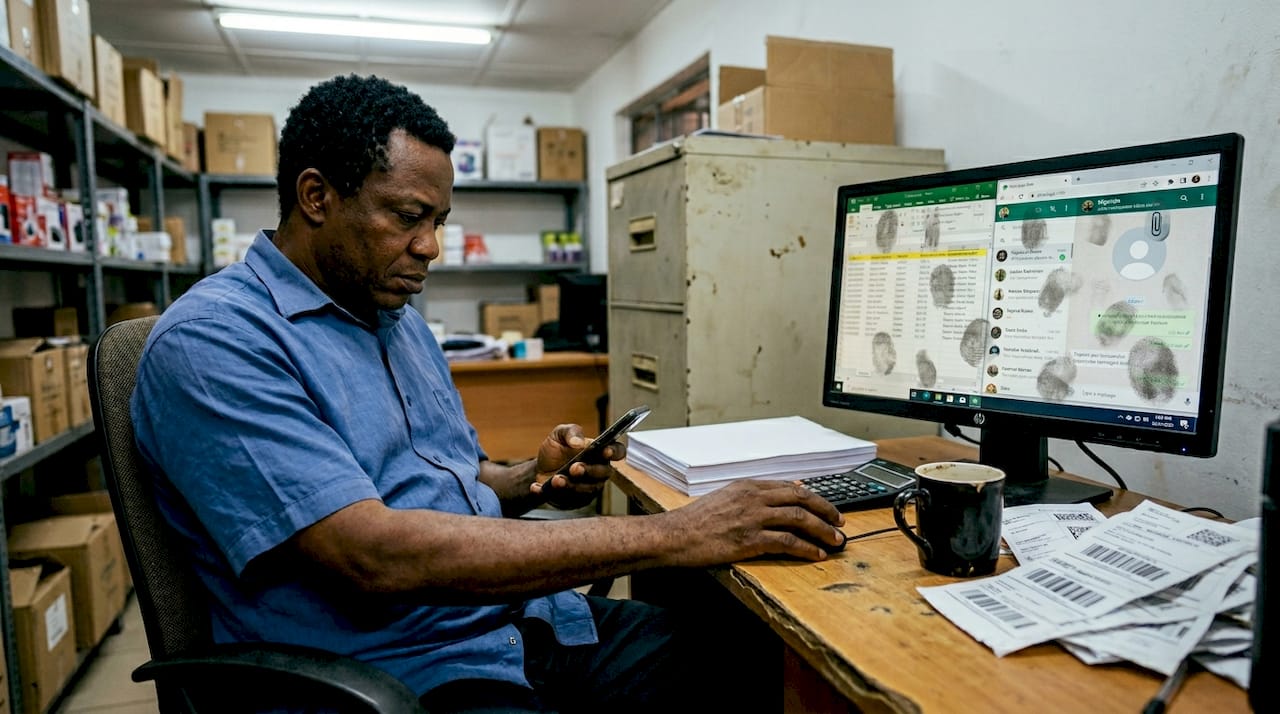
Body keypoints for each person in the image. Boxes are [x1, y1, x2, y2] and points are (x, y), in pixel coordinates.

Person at [131, 74, 846, 713]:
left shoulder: (393, 315)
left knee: (762, 666)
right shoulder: (214, 343)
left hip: (517, 623)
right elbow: (373, 555)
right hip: (395, 672)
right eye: (407, 217)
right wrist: (676, 535)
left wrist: (532, 480)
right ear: (316, 196)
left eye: (439, 221)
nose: (431, 247)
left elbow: (453, 478)